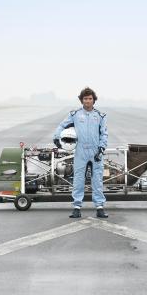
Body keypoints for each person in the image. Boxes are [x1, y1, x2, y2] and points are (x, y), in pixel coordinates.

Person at [53, 87, 108, 218]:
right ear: (81, 100)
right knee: (78, 180)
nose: (87, 101)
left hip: (96, 152)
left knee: (97, 180)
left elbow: (104, 134)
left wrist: (101, 148)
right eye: (85, 99)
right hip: (80, 151)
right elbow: (62, 125)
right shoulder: (75, 114)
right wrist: (56, 137)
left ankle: (100, 207)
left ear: (94, 100)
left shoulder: (100, 116)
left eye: (90, 99)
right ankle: (77, 208)